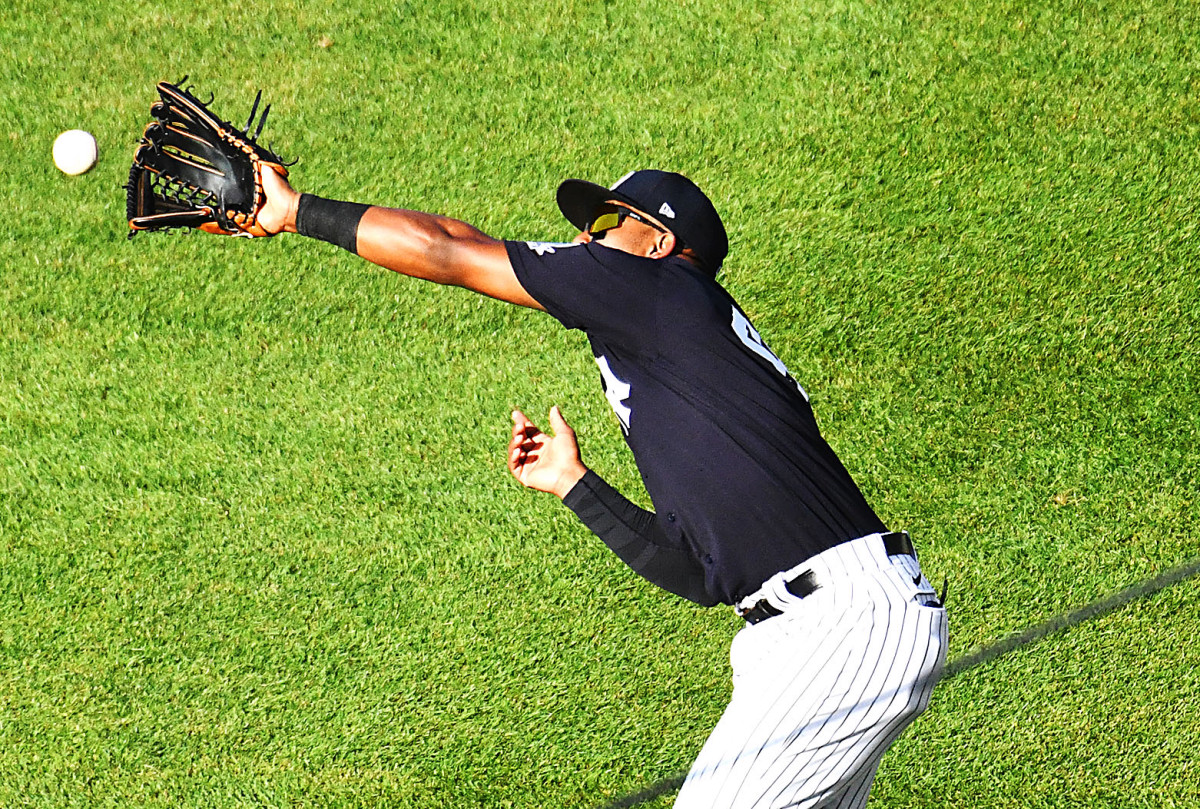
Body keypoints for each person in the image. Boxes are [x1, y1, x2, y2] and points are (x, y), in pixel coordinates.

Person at [251, 165, 948, 808]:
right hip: (817, 629)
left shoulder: (658, 292)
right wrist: (575, 484)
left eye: (611, 222)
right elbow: (699, 572)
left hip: (840, 627)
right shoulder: (678, 360)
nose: (586, 238)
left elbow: (449, 249)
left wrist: (293, 211)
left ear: (657, 242)